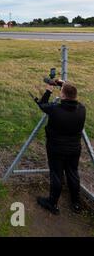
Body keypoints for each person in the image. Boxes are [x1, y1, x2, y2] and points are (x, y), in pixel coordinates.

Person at [37, 81, 86, 215]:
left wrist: (48, 90)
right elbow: (71, 96)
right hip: (75, 148)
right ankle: (76, 203)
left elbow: (42, 104)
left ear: (63, 95)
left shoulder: (55, 109)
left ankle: (52, 203)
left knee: (57, 174)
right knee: (73, 173)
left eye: (61, 92)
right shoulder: (82, 109)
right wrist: (64, 85)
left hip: (56, 148)